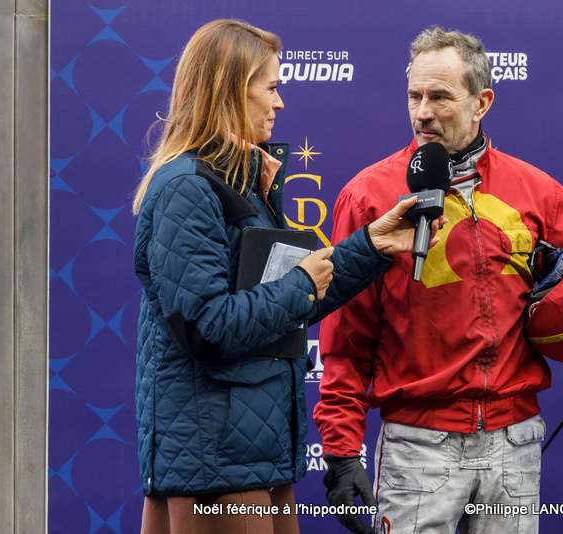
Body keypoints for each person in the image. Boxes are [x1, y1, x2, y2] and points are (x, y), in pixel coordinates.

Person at [313, 27, 563, 534]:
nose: (422, 112)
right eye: (414, 96)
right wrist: (341, 452)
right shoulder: (369, 196)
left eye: (440, 96)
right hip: (417, 449)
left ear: (481, 103)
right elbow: (345, 338)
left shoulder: (536, 190)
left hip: (515, 445)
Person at [131, 19, 444, 534]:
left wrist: (371, 244)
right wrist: (299, 284)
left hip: (250, 454)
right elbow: (207, 326)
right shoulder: (187, 188)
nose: (280, 103)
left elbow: (281, 302)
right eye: (271, 87)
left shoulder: (238, 182)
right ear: (231, 91)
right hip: (215, 464)